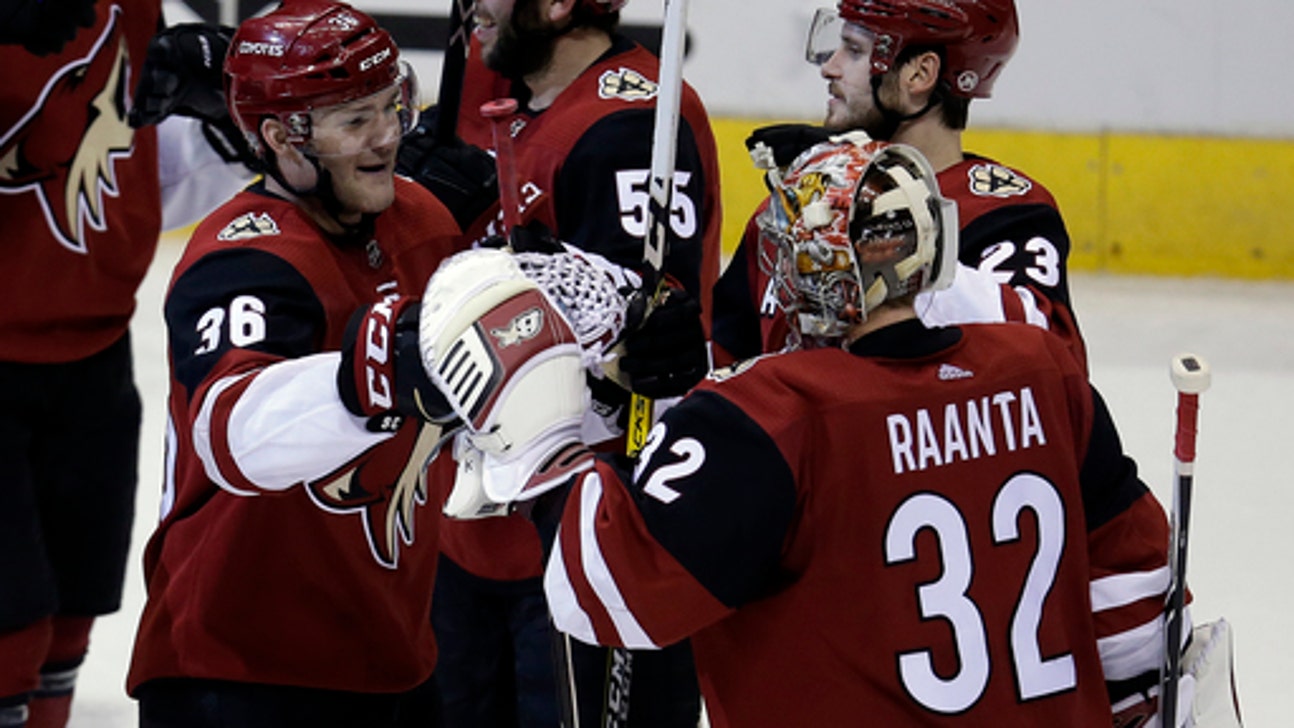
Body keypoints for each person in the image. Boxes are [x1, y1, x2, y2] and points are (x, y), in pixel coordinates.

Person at [422, 135, 1185, 726]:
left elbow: (610, 598)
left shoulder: (768, 416)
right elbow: (1132, 584)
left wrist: (543, 447)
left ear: (809, 269)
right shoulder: (1040, 367)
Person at [124, 2, 465, 725]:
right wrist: (370, 375)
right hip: (235, 670)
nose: (387, 138)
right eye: (354, 121)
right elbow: (232, 432)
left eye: (391, 106)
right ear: (281, 138)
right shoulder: (244, 258)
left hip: (392, 655)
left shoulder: (426, 223)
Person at [396, 1, 720, 725]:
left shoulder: (629, 125)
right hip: (472, 532)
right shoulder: (493, 94)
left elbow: (644, 338)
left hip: (588, 544)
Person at [0, 1, 249, 726]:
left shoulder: (136, 7)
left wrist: (227, 115)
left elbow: (145, 174)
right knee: (9, 615)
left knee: (76, 604)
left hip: (97, 344)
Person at [713, 0, 1085, 368]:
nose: (830, 67)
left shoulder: (1005, 215)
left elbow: (1051, 368)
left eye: (855, 50)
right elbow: (722, 364)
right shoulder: (800, 207)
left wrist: (886, 234)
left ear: (920, 74)